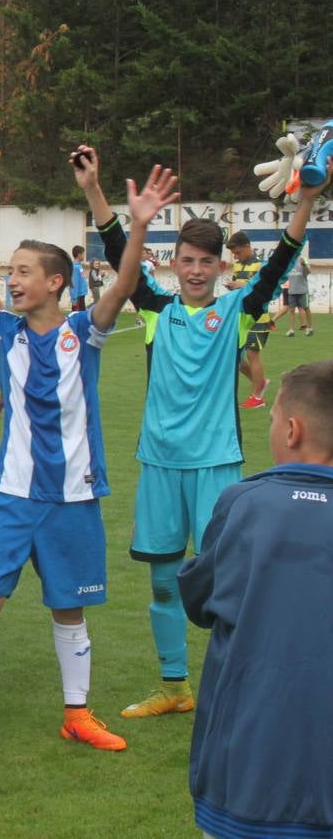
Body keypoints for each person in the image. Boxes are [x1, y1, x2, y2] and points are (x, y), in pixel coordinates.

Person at [0, 159, 178, 753]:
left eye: (25, 272)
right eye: (12, 271)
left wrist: (136, 228)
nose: (13, 279)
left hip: (74, 497)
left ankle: (77, 714)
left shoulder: (83, 330)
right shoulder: (2, 328)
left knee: (69, 608)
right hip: (12, 493)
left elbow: (124, 284)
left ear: (56, 282)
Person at [75, 145, 324, 719]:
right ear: (173, 263)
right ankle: (175, 688)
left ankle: (233, 686)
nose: (194, 270)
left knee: (224, 584)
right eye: (186, 260)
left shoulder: (238, 310)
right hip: (159, 464)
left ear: (219, 267)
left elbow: (283, 256)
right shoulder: (156, 310)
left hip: (216, 465)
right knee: (163, 583)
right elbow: (119, 253)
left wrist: (306, 200)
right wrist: (95, 190)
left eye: (205, 263)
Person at [178, 359, 333, 839]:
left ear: (291, 430)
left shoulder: (246, 504)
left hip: (247, 775)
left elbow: (199, 600)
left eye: (270, 420)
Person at [226, 232, 275, 409]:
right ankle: (260, 383)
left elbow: (263, 289)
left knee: (252, 354)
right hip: (240, 316)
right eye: (234, 254)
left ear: (247, 246)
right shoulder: (237, 266)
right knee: (235, 356)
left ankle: (257, 398)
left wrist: (243, 285)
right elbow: (239, 290)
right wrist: (232, 287)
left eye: (238, 252)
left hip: (258, 317)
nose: (236, 256)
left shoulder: (261, 265)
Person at [70, 246, 89, 311]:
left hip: (81, 296)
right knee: (78, 318)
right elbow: (74, 283)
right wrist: (74, 299)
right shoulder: (75, 267)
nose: (84, 256)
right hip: (77, 297)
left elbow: (82, 279)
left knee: (81, 317)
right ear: (79, 254)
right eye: (83, 254)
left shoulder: (79, 266)